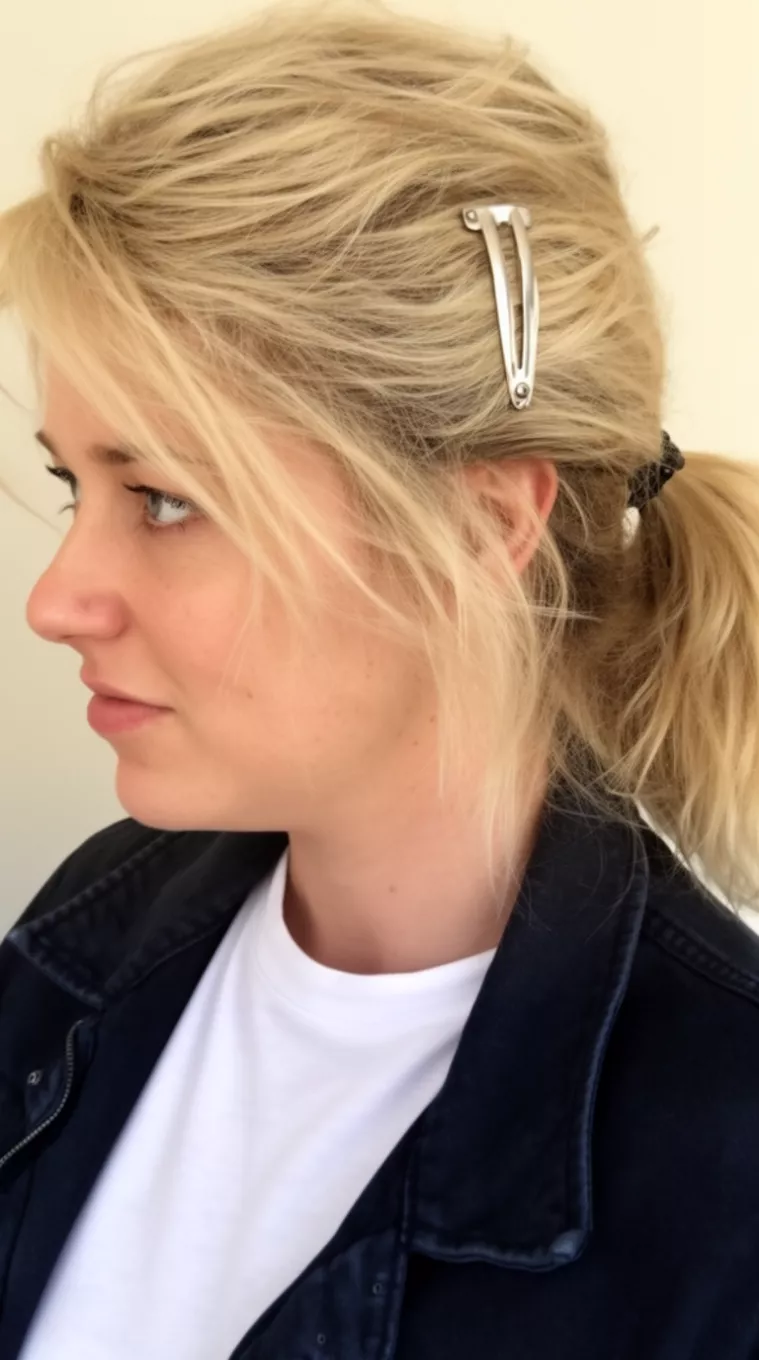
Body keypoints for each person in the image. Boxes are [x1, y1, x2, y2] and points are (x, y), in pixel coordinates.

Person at [0, 4, 758, 1357]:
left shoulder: (722, 1178)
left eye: (164, 499)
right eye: (73, 484)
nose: (57, 599)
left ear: (482, 527)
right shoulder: (87, 937)